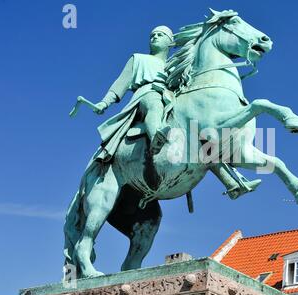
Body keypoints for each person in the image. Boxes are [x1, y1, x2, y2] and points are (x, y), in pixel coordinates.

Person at [91, 25, 260, 199]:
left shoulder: (173, 66)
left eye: (160, 35)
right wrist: (104, 103)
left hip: (171, 98)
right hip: (148, 93)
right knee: (154, 105)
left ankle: (232, 183)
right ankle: (157, 136)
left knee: (200, 133)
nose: (155, 37)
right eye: (153, 35)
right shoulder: (138, 59)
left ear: (170, 42)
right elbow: (120, 84)